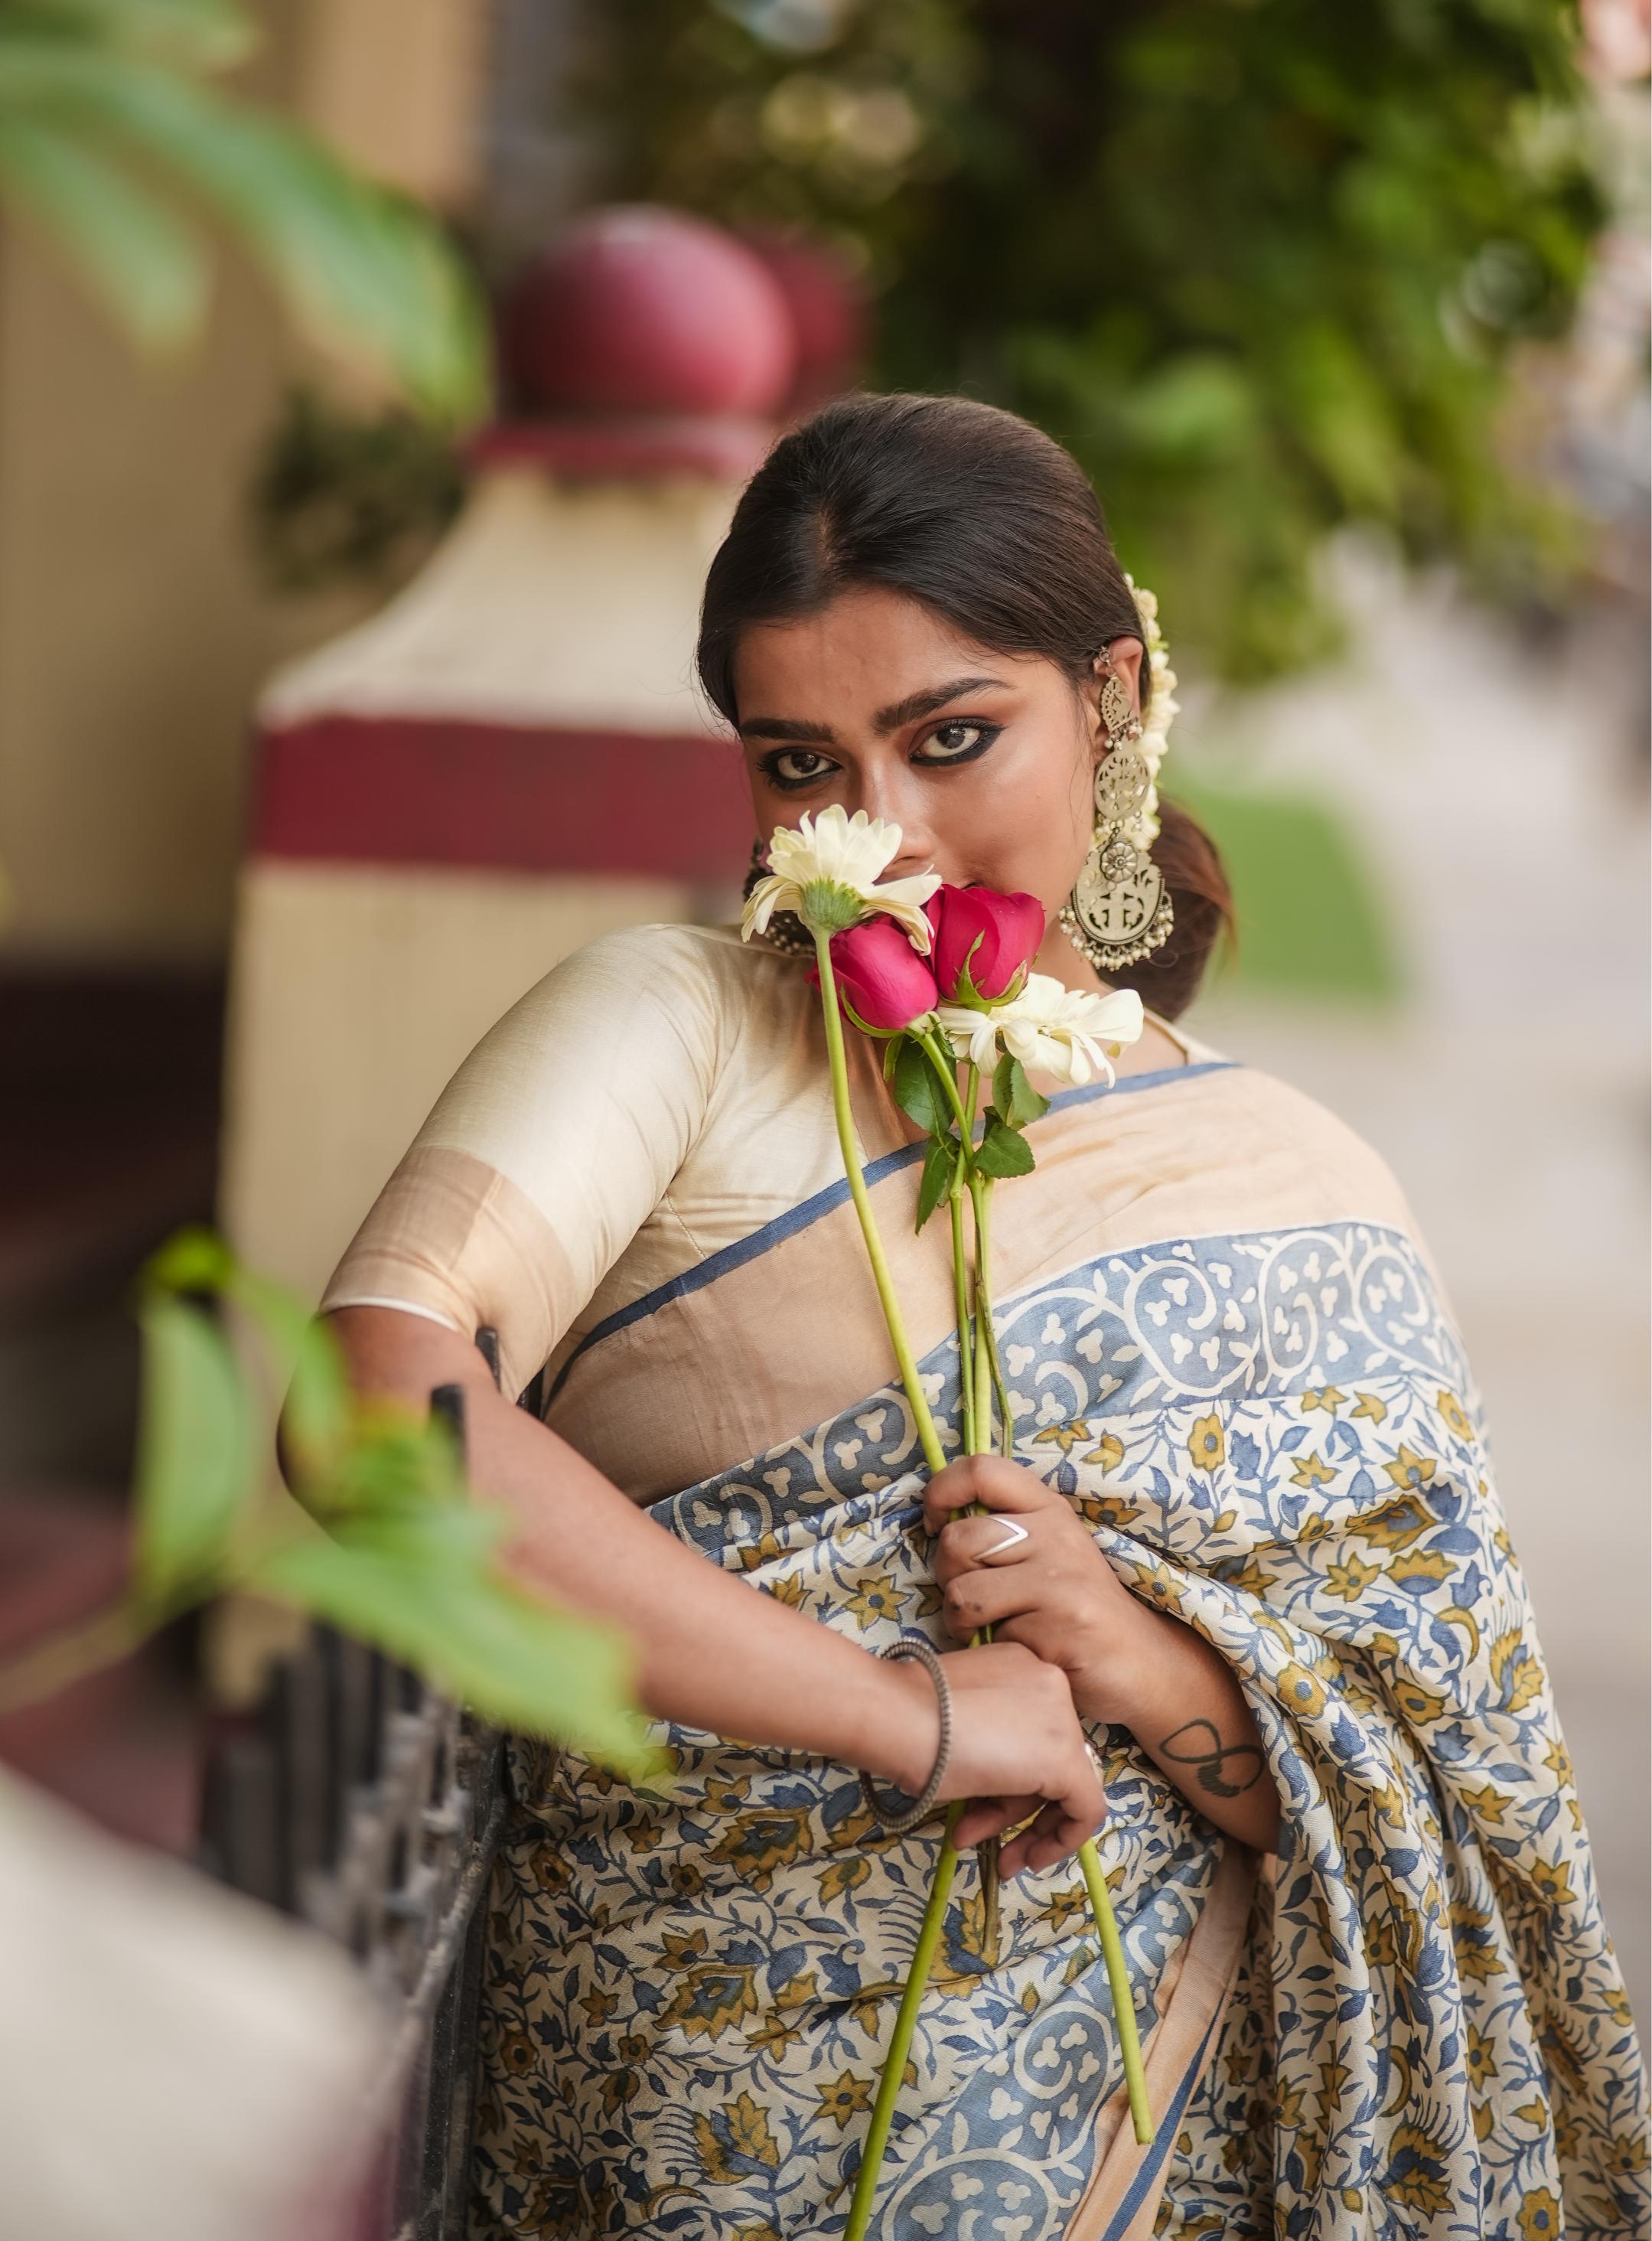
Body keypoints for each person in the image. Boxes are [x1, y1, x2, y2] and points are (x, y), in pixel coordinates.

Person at [320, 396, 1646, 2239]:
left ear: (1110, 700)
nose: (879, 832)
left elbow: (1459, 1815)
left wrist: (1138, 1653)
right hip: (673, 2132)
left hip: (1153, 2153)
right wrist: (900, 1713)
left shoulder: (1297, 1181)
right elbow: (378, 1403)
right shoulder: (681, 1026)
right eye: (801, 765)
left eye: (954, 738)